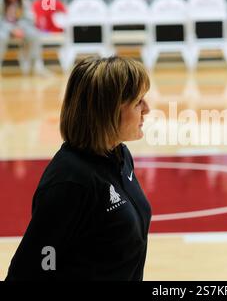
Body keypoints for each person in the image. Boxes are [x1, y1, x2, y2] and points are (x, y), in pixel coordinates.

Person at [5, 56, 152, 281]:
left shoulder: (120, 155)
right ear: (109, 110)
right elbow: (29, 270)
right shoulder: (69, 183)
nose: (147, 109)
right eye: (138, 102)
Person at [0, 0, 46, 74]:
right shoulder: (1, 0)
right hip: (4, 29)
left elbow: (30, 18)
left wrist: (19, 28)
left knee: (34, 34)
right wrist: (12, 29)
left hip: (21, 29)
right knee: (1, 37)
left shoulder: (24, 1)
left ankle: (37, 65)